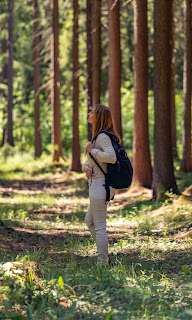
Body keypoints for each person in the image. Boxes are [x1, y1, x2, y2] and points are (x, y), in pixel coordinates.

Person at [82, 104, 121, 265]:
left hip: (101, 186)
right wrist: (85, 166)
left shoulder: (103, 137)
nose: (89, 113)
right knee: (89, 221)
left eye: (92, 112)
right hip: (96, 184)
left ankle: (103, 261)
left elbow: (111, 158)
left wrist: (92, 150)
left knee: (98, 225)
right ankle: (104, 255)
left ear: (99, 117)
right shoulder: (98, 136)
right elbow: (94, 161)